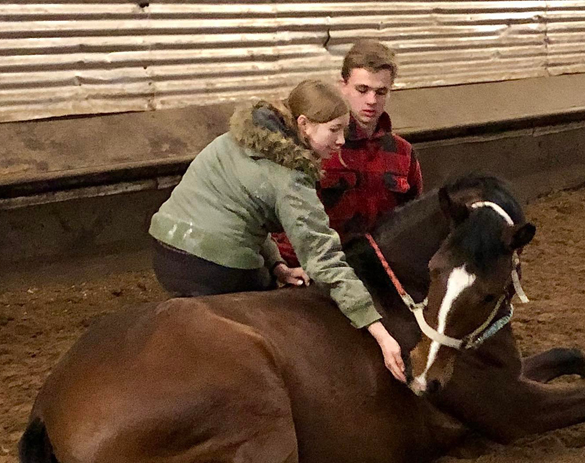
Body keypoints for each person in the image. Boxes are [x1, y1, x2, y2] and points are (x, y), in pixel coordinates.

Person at [148, 79, 406, 382]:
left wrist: (278, 265)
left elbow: (246, 212)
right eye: (334, 129)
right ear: (304, 124)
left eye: (343, 130)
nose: (341, 141)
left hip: (165, 248)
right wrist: (376, 327)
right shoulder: (291, 180)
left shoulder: (241, 137)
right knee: (277, 323)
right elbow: (323, 259)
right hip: (213, 266)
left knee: (270, 278)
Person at [273, 39, 423, 266]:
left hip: (382, 273)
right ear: (343, 85)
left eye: (381, 92)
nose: (371, 101)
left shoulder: (402, 153)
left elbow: (414, 220)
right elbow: (282, 218)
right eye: (362, 89)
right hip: (315, 269)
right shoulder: (316, 145)